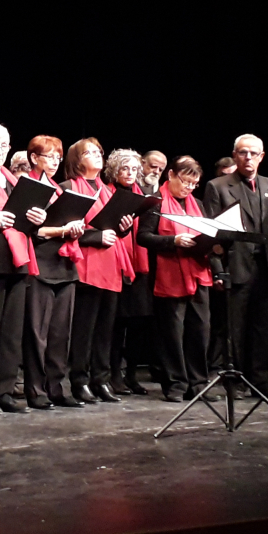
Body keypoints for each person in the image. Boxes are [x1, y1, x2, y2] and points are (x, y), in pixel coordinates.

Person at [204, 135, 268, 400]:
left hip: (264, 268)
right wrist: (218, 269)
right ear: (235, 155)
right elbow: (211, 234)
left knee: (261, 327)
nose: (248, 157)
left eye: (253, 153)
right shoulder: (218, 186)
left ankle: (260, 380)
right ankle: (235, 380)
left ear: (262, 156)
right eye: (243, 152)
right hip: (235, 266)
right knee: (234, 329)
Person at [0, 122, 43, 414]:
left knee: (12, 332)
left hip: (18, 260)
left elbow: (26, 221)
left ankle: (4, 390)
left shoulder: (14, 181)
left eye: (5, 145)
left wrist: (37, 218)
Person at [138, 156, 222, 402]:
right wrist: (172, 241)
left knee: (200, 331)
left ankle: (198, 384)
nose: (188, 187)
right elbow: (143, 237)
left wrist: (217, 269)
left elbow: (208, 237)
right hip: (168, 274)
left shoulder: (197, 203)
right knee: (172, 333)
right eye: (185, 181)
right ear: (171, 175)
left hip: (198, 273)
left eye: (194, 183)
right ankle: (176, 384)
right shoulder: (156, 203)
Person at [62, 138, 133, 404]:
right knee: (84, 329)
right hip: (86, 265)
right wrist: (96, 237)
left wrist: (124, 226)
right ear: (77, 160)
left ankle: (101, 380)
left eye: (98, 152)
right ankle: (79, 381)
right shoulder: (69, 188)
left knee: (106, 329)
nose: (96, 155)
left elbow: (112, 228)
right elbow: (63, 230)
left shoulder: (109, 191)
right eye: (89, 152)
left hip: (110, 265)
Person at [22, 135, 84, 409]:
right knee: (38, 332)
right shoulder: (28, 187)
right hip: (39, 265)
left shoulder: (60, 190)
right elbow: (29, 230)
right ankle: (36, 389)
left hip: (64, 265)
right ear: (34, 158)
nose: (56, 162)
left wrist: (76, 228)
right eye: (49, 156)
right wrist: (61, 230)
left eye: (58, 157)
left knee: (61, 332)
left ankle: (57, 386)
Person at [105, 149, 154, 396]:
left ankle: (131, 374)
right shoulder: (108, 193)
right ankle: (114, 374)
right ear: (115, 170)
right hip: (116, 263)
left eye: (134, 169)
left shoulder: (143, 197)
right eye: (125, 169)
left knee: (137, 322)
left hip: (139, 265)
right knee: (116, 324)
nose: (130, 173)